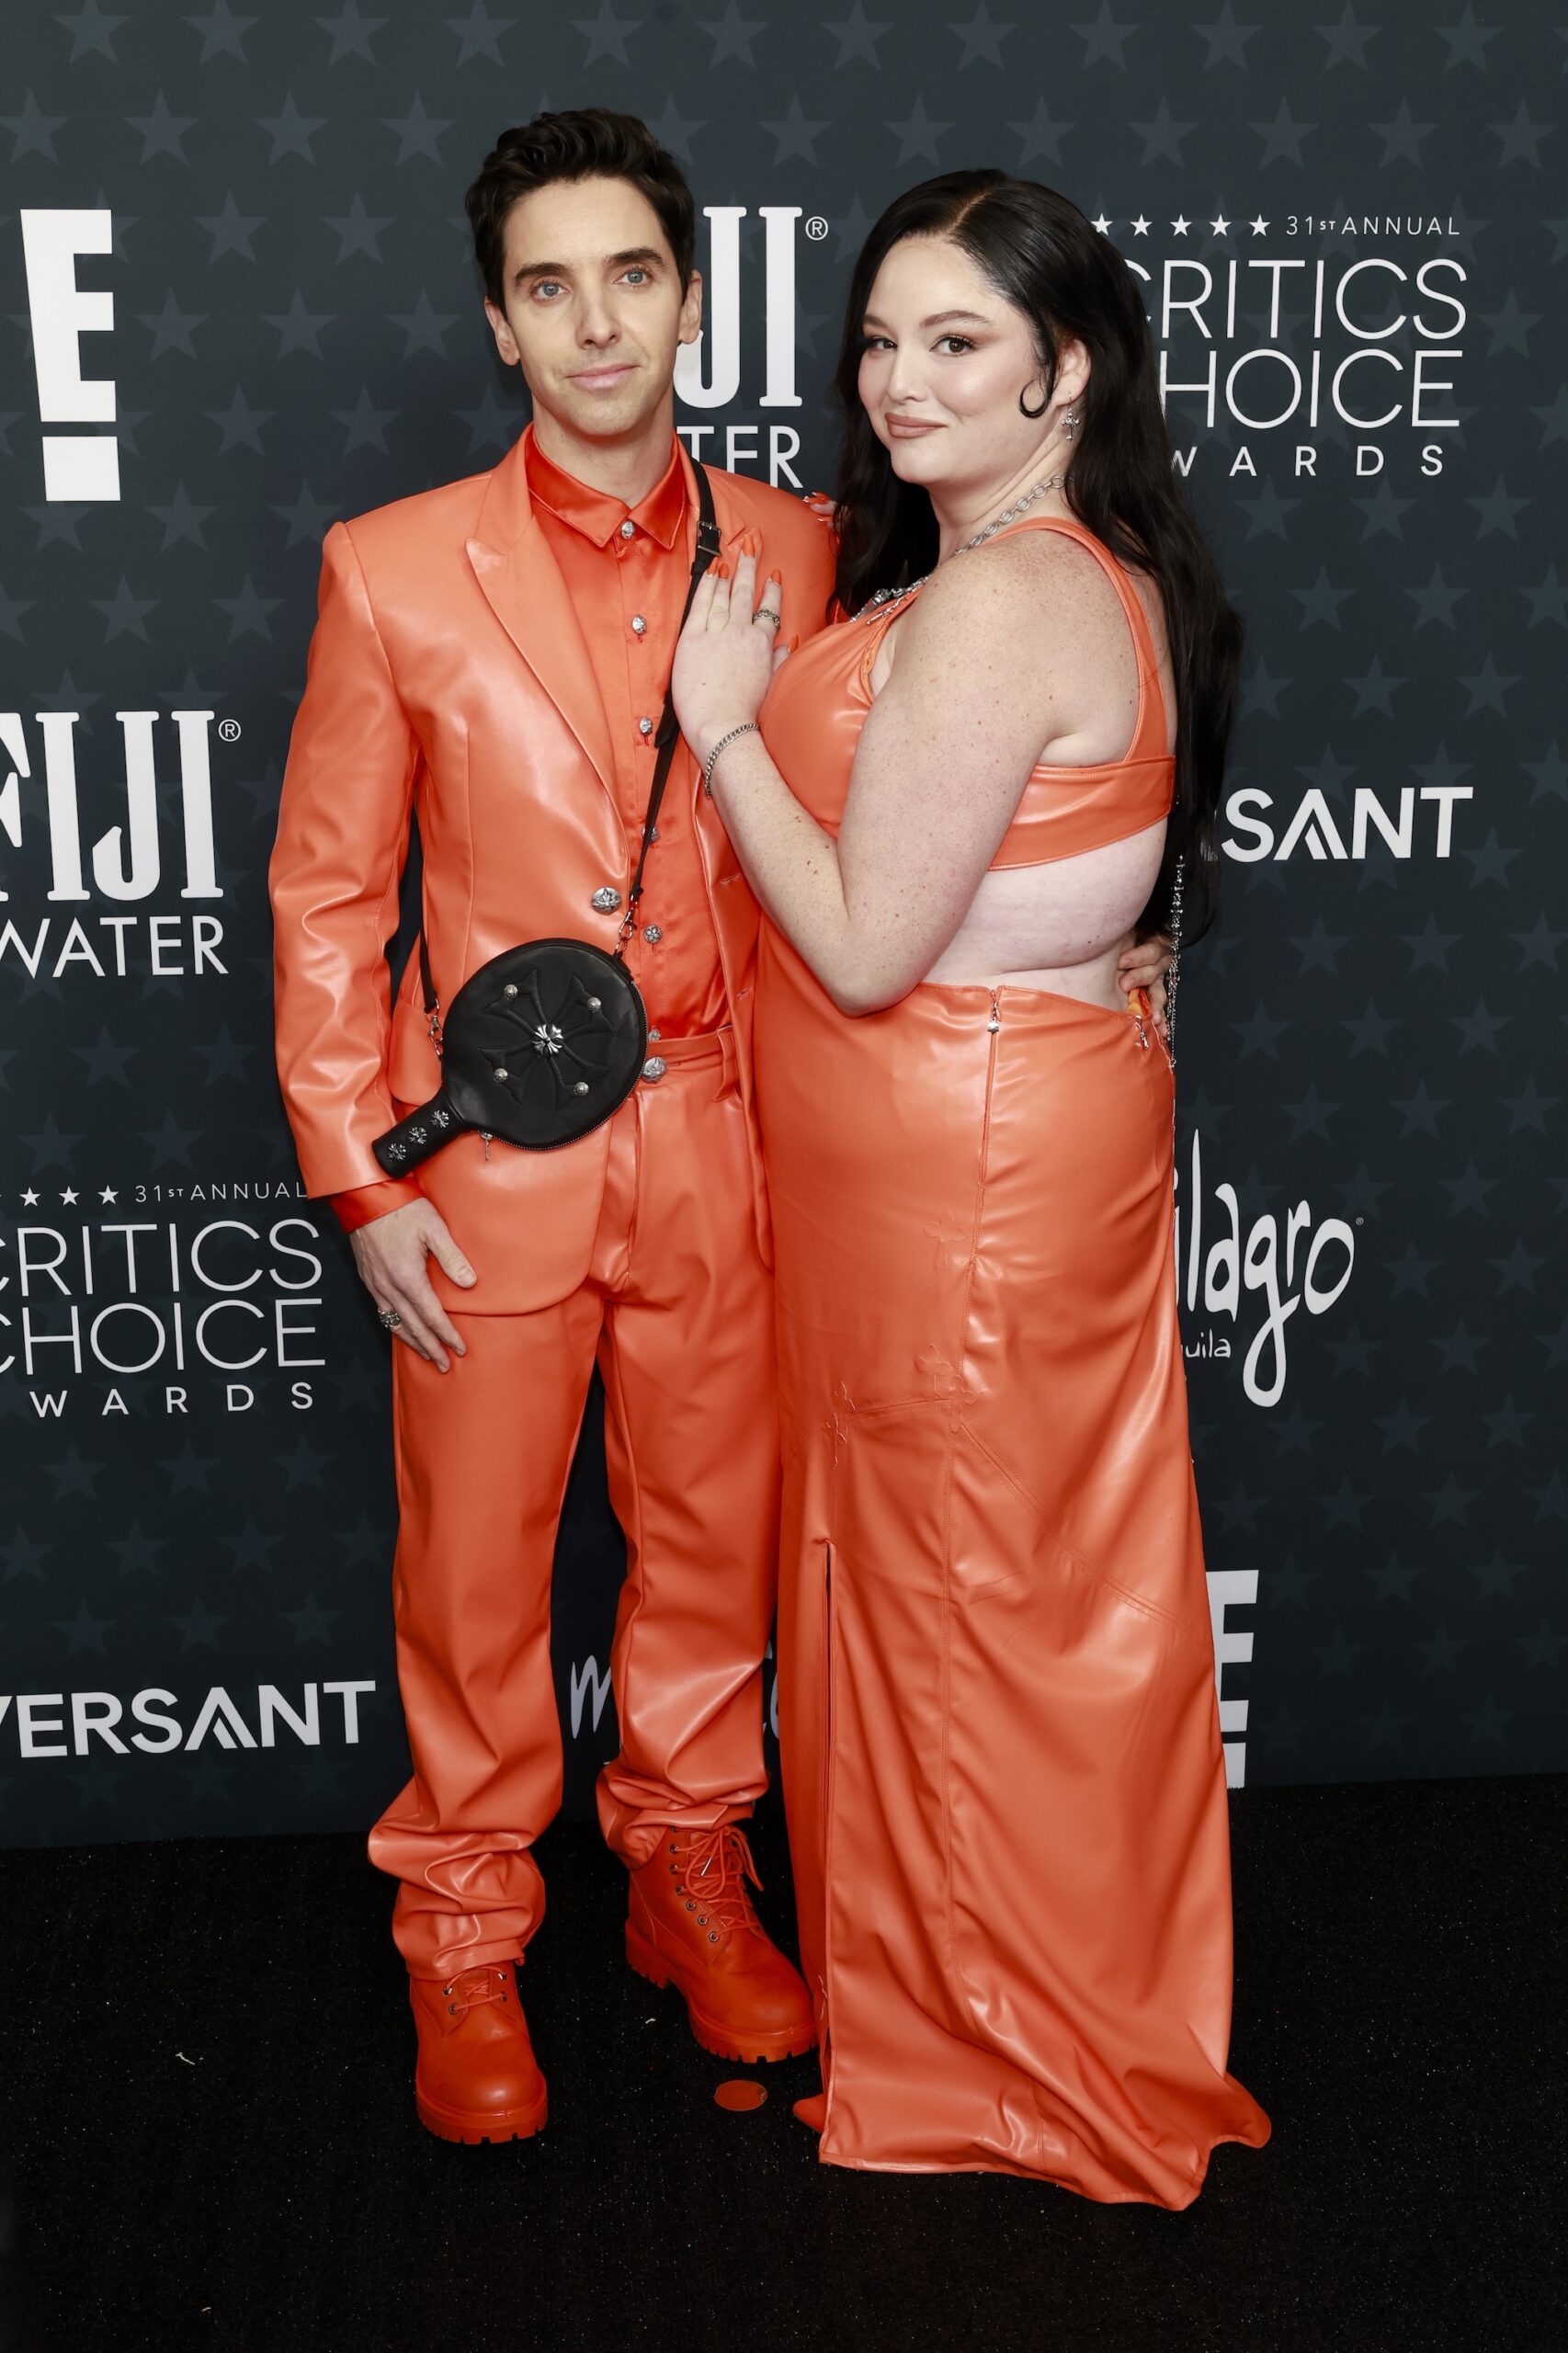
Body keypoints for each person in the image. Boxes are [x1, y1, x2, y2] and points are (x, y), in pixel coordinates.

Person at [671, 170, 1271, 2203]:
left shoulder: (1011, 593)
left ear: (1063, 370)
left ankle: (998, 2049)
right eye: (877, 339)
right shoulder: (1067, 567)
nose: (899, 381)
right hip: (988, 1141)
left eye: (956, 341)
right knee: (1006, 1586)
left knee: (959, 1598)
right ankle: (1006, 1997)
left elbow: (861, 946)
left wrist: (723, 731)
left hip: (965, 1167)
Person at [267, 109, 845, 2144]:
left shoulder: (801, 551)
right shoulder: (390, 567)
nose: (596, 322)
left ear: (688, 301)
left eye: (631, 276)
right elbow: (329, 896)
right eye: (547, 285)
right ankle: (464, 1920)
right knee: (473, 1572)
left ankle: (687, 1863)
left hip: (729, 1139)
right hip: (487, 1163)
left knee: (710, 1540)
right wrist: (359, 1177)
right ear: (499, 325)